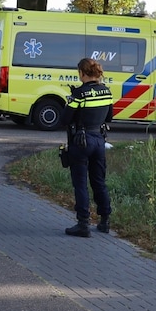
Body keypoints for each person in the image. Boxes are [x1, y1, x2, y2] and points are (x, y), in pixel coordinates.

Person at [64, 58, 114, 238]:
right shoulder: (106, 92)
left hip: (81, 141)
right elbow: (110, 116)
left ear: (83, 73)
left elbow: (66, 118)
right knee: (99, 181)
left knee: (80, 183)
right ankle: (105, 220)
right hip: (99, 140)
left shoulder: (79, 94)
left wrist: (70, 102)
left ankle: (83, 224)